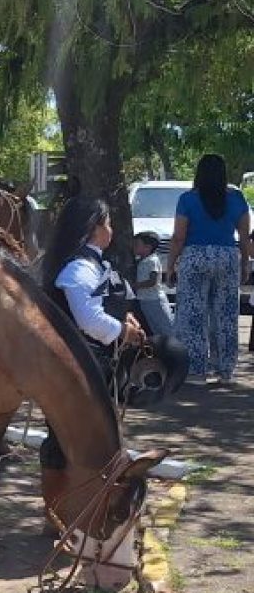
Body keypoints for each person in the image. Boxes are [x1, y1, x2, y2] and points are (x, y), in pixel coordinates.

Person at [38, 196, 145, 471]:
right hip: (77, 370)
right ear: (93, 229)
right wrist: (124, 331)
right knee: (71, 439)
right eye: (107, 224)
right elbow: (88, 319)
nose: (111, 230)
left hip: (92, 367)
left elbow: (103, 304)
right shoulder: (78, 268)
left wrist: (124, 317)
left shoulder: (93, 266)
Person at [168, 154, 251, 384]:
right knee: (225, 315)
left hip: (195, 256)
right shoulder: (237, 199)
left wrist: (171, 264)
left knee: (193, 315)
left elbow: (178, 237)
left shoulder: (187, 199)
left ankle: (196, 370)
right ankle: (225, 369)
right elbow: (244, 238)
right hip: (226, 257)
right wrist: (245, 264)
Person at [132, 231, 174, 336]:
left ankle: (176, 347)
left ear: (147, 247)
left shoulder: (152, 261)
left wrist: (135, 285)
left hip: (154, 300)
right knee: (154, 327)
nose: (134, 247)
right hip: (145, 300)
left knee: (166, 326)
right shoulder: (141, 260)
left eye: (137, 245)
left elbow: (152, 281)